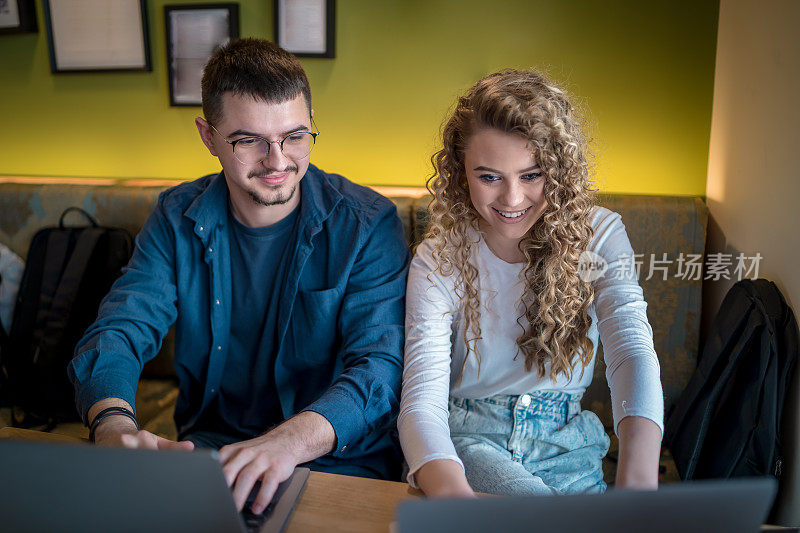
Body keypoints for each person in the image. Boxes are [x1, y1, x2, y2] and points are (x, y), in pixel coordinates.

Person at [67, 38, 409, 513]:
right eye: (249, 140)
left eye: (295, 136)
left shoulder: (368, 224)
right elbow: (121, 328)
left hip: (337, 460)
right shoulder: (175, 216)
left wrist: (286, 444)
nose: (277, 160)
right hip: (213, 452)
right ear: (208, 136)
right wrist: (113, 424)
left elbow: (380, 369)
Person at [398, 69, 663, 498]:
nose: (512, 200)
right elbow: (422, 401)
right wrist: (453, 496)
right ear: (460, 171)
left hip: (568, 443)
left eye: (532, 175)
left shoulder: (600, 236)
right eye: (489, 177)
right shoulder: (437, 258)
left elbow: (631, 348)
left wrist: (638, 482)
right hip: (468, 441)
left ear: (559, 170)